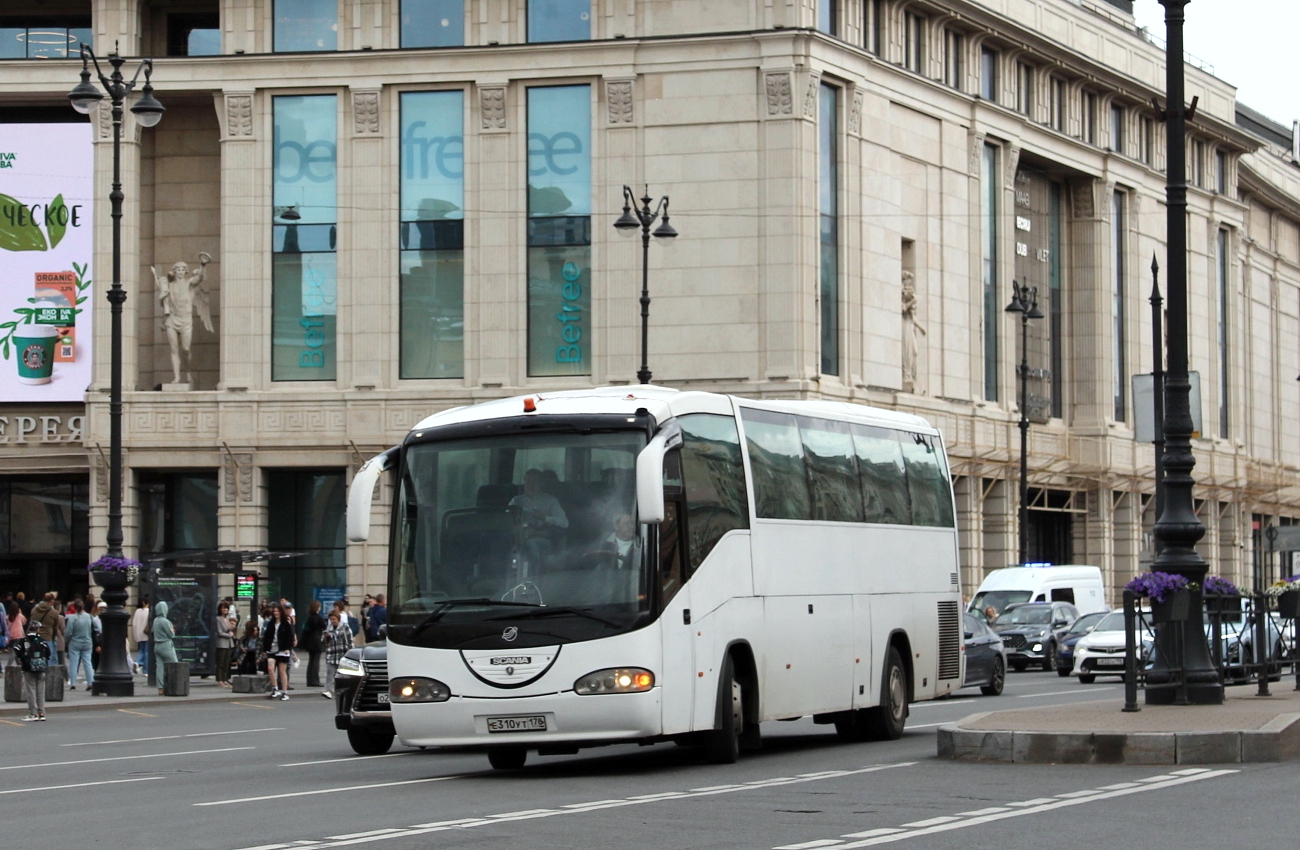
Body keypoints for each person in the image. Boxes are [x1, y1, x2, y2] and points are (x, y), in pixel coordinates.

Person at [509, 468, 569, 572]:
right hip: (518, 538)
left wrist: (544, 518)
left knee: (531, 545)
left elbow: (564, 523)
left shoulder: (550, 500)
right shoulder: (516, 501)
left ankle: (533, 582)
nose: (530, 485)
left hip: (542, 537)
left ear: (540, 483)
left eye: (534, 481)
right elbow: (506, 521)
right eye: (527, 481)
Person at [13, 620, 47, 721]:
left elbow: (17, 650)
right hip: (41, 668)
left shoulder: (24, 640)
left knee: (31, 690)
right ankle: (42, 712)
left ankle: (33, 713)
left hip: (28, 668)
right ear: (37, 629)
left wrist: (22, 659)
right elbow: (48, 652)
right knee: (41, 691)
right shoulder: (41, 640)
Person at [261, 604, 295, 700]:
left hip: (283, 649)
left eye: (277, 611)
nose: (276, 613)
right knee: (270, 668)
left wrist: (288, 648)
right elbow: (266, 637)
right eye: (274, 611)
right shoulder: (271, 623)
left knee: (282, 671)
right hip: (272, 649)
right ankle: (274, 688)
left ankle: (284, 691)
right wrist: (265, 649)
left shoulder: (286, 624)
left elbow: (290, 637)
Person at [321, 609, 352, 700]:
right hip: (331, 654)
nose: (332, 621)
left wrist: (350, 654)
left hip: (342, 654)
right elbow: (323, 640)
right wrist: (325, 637)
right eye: (331, 619)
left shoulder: (344, 627)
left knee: (343, 675)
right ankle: (328, 690)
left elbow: (347, 639)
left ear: (338, 619)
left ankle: (345, 691)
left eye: (334, 619)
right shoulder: (328, 628)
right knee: (329, 673)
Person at [64, 600, 94, 691]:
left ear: (75, 608)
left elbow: (68, 632)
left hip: (75, 642)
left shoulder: (72, 618)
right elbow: (94, 628)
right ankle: (90, 683)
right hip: (87, 641)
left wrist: (67, 641)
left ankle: (73, 683)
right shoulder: (89, 616)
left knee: (73, 663)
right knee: (88, 663)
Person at [152, 601, 178, 696]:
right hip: (166, 644)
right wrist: (173, 631)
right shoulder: (165, 621)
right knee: (175, 665)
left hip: (157, 645)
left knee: (160, 667)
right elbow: (171, 635)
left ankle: (160, 688)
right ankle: (176, 686)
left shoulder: (155, 620)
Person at [28, 592, 59, 669]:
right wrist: (53, 637)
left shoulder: (34, 610)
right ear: (51, 601)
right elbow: (55, 627)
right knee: (49, 659)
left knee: (35, 658)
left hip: (35, 638)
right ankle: (47, 677)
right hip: (47, 637)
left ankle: (36, 676)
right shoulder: (54, 613)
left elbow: (31, 623)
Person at [301, 600, 326, 688]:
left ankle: (310, 680)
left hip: (310, 640)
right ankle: (315, 680)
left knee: (311, 661)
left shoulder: (309, 617)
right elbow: (324, 626)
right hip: (317, 639)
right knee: (316, 661)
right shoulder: (318, 617)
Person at [214, 600, 236, 687]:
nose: (225, 610)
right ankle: (219, 679)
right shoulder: (218, 619)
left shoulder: (227, 619)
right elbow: (219, 632)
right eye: (223, 608)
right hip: (222, 643)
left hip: (229, 644)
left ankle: (225, 679)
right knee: (221, 663)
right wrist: (228, 634)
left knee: (227, 663)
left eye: (226, 608)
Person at [131, 597, 150, 675]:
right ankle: (145, 670)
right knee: (147, 652)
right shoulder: (148, 611)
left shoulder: (137, 611)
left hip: (138, 635)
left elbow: (134, 624)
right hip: (146, 635)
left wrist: (135, 634)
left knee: (141, 650)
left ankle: (137, 662)